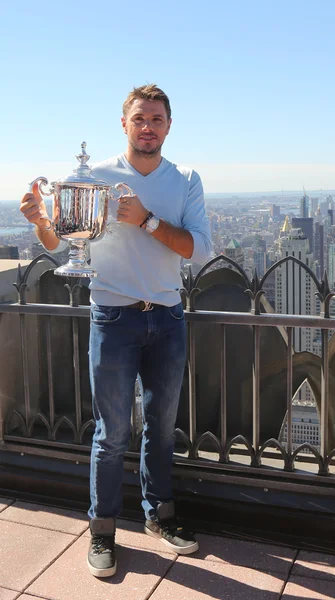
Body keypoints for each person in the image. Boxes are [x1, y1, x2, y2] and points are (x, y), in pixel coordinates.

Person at [20, 84, 212, 578]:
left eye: (157, 119)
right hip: (113, 315)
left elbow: (199, 250)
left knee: (162, 429)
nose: (148, 127)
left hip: (167, 316)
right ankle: (102, 531)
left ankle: (159, 516)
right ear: (123, 124)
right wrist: (41, 220)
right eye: (140, 119)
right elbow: (64, 244)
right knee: (111, 434)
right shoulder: (92, 177)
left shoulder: (185, 179)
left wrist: (146, 220)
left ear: (169, 126)